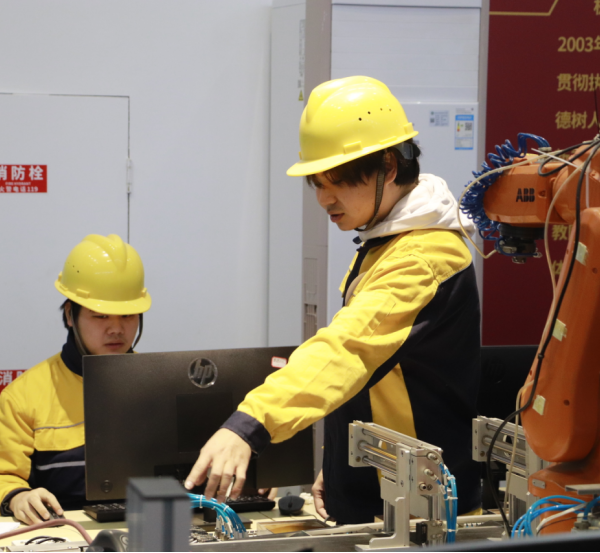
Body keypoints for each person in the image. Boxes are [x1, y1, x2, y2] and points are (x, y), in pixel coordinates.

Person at [185, 76, 482, 524]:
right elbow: (375, 373)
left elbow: (347, 349)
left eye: (337, 180)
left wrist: (249, 425)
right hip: (387, 494)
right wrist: (340, 464)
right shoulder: (388, 242)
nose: (325, 198)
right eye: (316, 183)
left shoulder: (422, 258)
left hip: (418, 513)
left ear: (388, 166)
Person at [0, 234, 151, 524]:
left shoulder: (159, 386)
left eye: (128, 315)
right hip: (61, 534)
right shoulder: (25, 395)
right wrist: (16, 497)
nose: (116, 329)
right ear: (70, 314)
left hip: (154, 530)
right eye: (100, 316)